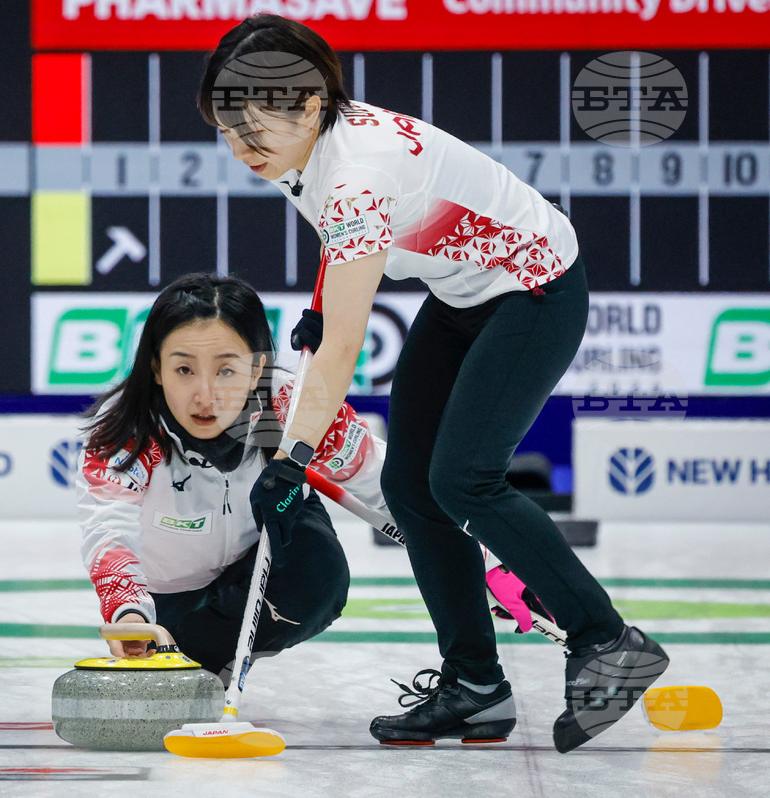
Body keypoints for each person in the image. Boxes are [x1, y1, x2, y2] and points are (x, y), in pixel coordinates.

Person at [199, 14, 668, 753]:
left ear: (311, 104)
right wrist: (323, 304)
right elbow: (338, 252)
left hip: (534, 290)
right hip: (463, 293)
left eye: (251, 132)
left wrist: (291, 461)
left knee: (463, 480)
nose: (239, 150)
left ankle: (607, 640)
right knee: (412, 488)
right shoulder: (306, 144)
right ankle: (475, 686)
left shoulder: (358, 175)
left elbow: (344, 347)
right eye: (227, 132)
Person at [75, 273, 384, 685]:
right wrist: (129, 610)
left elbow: (387, 480)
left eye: (226, 371)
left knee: (316, 573)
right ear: (156, 367)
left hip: (266, 548)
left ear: (257, 369)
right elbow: (109, 528)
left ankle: (202, 656)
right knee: (161, 641)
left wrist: (460, 539)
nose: (205, 396)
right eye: (184, 369)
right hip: (169, 593)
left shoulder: (293, 407)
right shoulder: (126, 428)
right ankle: (181, 652)